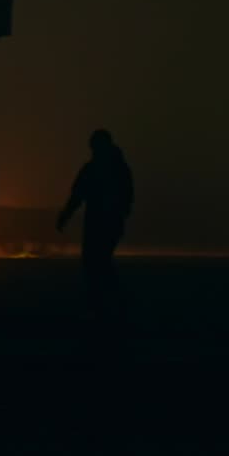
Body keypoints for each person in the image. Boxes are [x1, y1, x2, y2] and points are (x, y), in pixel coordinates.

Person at [57, 129, 133, 320]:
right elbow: (127, 196)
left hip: (97, 223)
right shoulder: (120, 168)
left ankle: (101, 304)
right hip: (111, 223)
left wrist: (65, 216)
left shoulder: (94, 169)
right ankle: (110, 303)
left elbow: (77, 196)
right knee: (101, 262)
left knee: (94, 263)